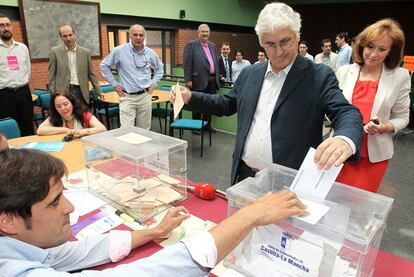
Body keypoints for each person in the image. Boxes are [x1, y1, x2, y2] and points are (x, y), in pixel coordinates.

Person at [0, 148, 309, 276]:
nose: (69, 207)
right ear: (8, 220)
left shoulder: (21, 245)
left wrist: (153, 232)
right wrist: (250, 215)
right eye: (54, 202)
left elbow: (67, 255)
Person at [170, 2, 363, 186]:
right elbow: (225, 104)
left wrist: (343, 139)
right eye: (270, 44)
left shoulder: (319, 76)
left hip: (289, 183)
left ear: (297, 36)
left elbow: (347, 112)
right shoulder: (250, 74)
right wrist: (190, 97)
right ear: (262, 43)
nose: (278, 51)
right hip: (245, 176)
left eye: (285, 41)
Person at [335, 19, 410, 192]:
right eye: (370, 46)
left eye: (382, 49)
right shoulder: (344, 72)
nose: (373, 54)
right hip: (341, 151)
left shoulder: (400, 76)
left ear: (391, 51)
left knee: (359, 207)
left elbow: (403, 117)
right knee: (334, 203)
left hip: (374, 157)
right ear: (361, 45)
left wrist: (384, 126)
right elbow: (330, 110)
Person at [100, 24, 163, 130]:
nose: (138, 38)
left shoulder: (150, 53)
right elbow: (104, 66)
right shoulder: (119, 51)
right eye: (135, 35)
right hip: (127, 97)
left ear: (144, 37)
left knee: (144, 131)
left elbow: (160, 68)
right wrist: (115, 85)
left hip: (145, 96)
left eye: (141, 35)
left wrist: (154, 83)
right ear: (130, 35)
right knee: (126, 131)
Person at [49, 25, 102, 106]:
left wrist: (99, 91)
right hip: (63, 92)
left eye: (70, 35)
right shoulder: (55, 52)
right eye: (65, 36)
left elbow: (92, 74)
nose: (68, 38)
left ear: (74, 34)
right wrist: (53, 94)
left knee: (82, 117)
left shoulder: (85, 52)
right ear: (61, 37)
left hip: (81, 91)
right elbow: (52, 75)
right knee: (66, 117)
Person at [0, 14, 34, 136]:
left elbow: (28, 69)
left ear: (12, 27)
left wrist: (22, 83)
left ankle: (29, 153)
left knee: (27, 126)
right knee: (7, 130)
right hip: (4, 95)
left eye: (8, 25)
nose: (5, 28)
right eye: (1, 25)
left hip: (23, 93)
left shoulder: (22, 48)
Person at [183, 24, 220, 133]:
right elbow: (187, 63)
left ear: (209, 33)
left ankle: (207, 125)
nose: (205, 34)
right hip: (197, 79)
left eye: (207, 32)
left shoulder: (212, 46)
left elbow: (214, 62)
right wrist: (188, 79)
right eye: (202, 31)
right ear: (198, 33)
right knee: (197, 102)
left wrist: (219, 76)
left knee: (211, 103)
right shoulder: (191, 45)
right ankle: (196, 126)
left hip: (212, 80)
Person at [37, 90, 106, 138]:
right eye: (58, 106)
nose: (63, 108)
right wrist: (65, 130)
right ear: (55, 109)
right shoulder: (55, 116)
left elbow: (102, 128)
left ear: (72, 103)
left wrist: (83, 132)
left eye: (65, 104)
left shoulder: (84, 114)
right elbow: (40, 130)